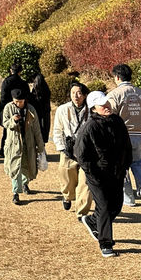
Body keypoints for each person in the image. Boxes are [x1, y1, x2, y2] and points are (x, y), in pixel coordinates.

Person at [75, 90, 133, 257]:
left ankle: (92, 220)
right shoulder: (90, 127)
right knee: (105, 206)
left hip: (117, 172)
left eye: (107, 103)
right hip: (97, 175)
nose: (107, 106)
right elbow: (81, 154)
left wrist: (126, 164)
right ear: (94, 108)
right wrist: (92, 174)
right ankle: (105, 243)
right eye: (102, 104)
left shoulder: (117, 121)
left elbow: (126, 145)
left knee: (116, 205)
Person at [106, 63, 141, 208]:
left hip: (121, 135)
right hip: (139, 134)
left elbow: (108, 115)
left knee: (122, 166)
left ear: (118, 77)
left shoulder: (114, 94)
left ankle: (128, 198)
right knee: (138, 163)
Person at [52, 82, 92, 216]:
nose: (76, 96)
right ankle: (67, 196)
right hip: (69, 148)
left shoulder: (91, 110)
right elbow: (58, 130)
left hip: (87, 149)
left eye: (79, 93)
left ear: (85, 95)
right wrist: (61, 148)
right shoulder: (62, 109)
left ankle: (82, 211)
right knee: (67, 176)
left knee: (85, 181)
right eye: (73, 93)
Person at [3, 88, 45, 204]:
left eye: (20, 102)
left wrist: (40, 146)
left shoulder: (30, 109)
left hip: (28, 142)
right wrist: (13, 121)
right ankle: (15, 193)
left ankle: (25, 183)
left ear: (24, 100)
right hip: (14, 143)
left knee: (27, 165)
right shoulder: (8, 108)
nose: (18, 104)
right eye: (16, 101)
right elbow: (5, 123)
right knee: (15, 166)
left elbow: (36, 129)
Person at [0, 63, 30, 157]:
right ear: (20, 72)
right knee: (22, 128)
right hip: (21, 106)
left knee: (7, 129)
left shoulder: (7, 81)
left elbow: (3, 96)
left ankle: (4, 150)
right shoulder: (23, 82)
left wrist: (3, 109)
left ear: (11, 70)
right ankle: (22, 150)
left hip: (8, 107)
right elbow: (28, 95)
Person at [30, 73, 51, 143]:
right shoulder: (47, 91)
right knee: (44, 132)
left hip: (37, 114)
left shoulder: (34, 93)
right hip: (45, 114)